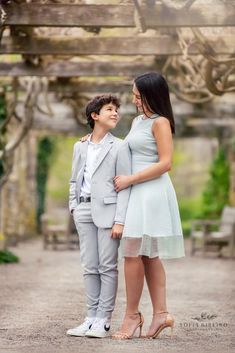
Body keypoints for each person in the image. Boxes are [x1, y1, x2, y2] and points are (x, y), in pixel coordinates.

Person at [111, 72, 185, 339]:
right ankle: (160, 314)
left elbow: (166, 163)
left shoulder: (161, 122)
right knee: (145, 254)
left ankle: (132, 317)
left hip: (151, 190)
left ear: (152, 95)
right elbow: (126, 150)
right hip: (137, 191)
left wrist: (131, 178)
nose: (134, 99)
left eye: (138, 95)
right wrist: (94, 140)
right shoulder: (137, 121)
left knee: (133, 252)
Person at [67, 94, 131, 338]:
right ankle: (90, 318)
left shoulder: (120, 146)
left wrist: (120, 219)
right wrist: (74, 206)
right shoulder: (79, 145)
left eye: (116, 110)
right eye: (109, 109)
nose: (115, 113)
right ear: (95, 116)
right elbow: (74, 179)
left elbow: (124, 185)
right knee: (89, 267)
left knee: (107, 267)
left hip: (109, 212)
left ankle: (103, 321)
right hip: (83, 211)